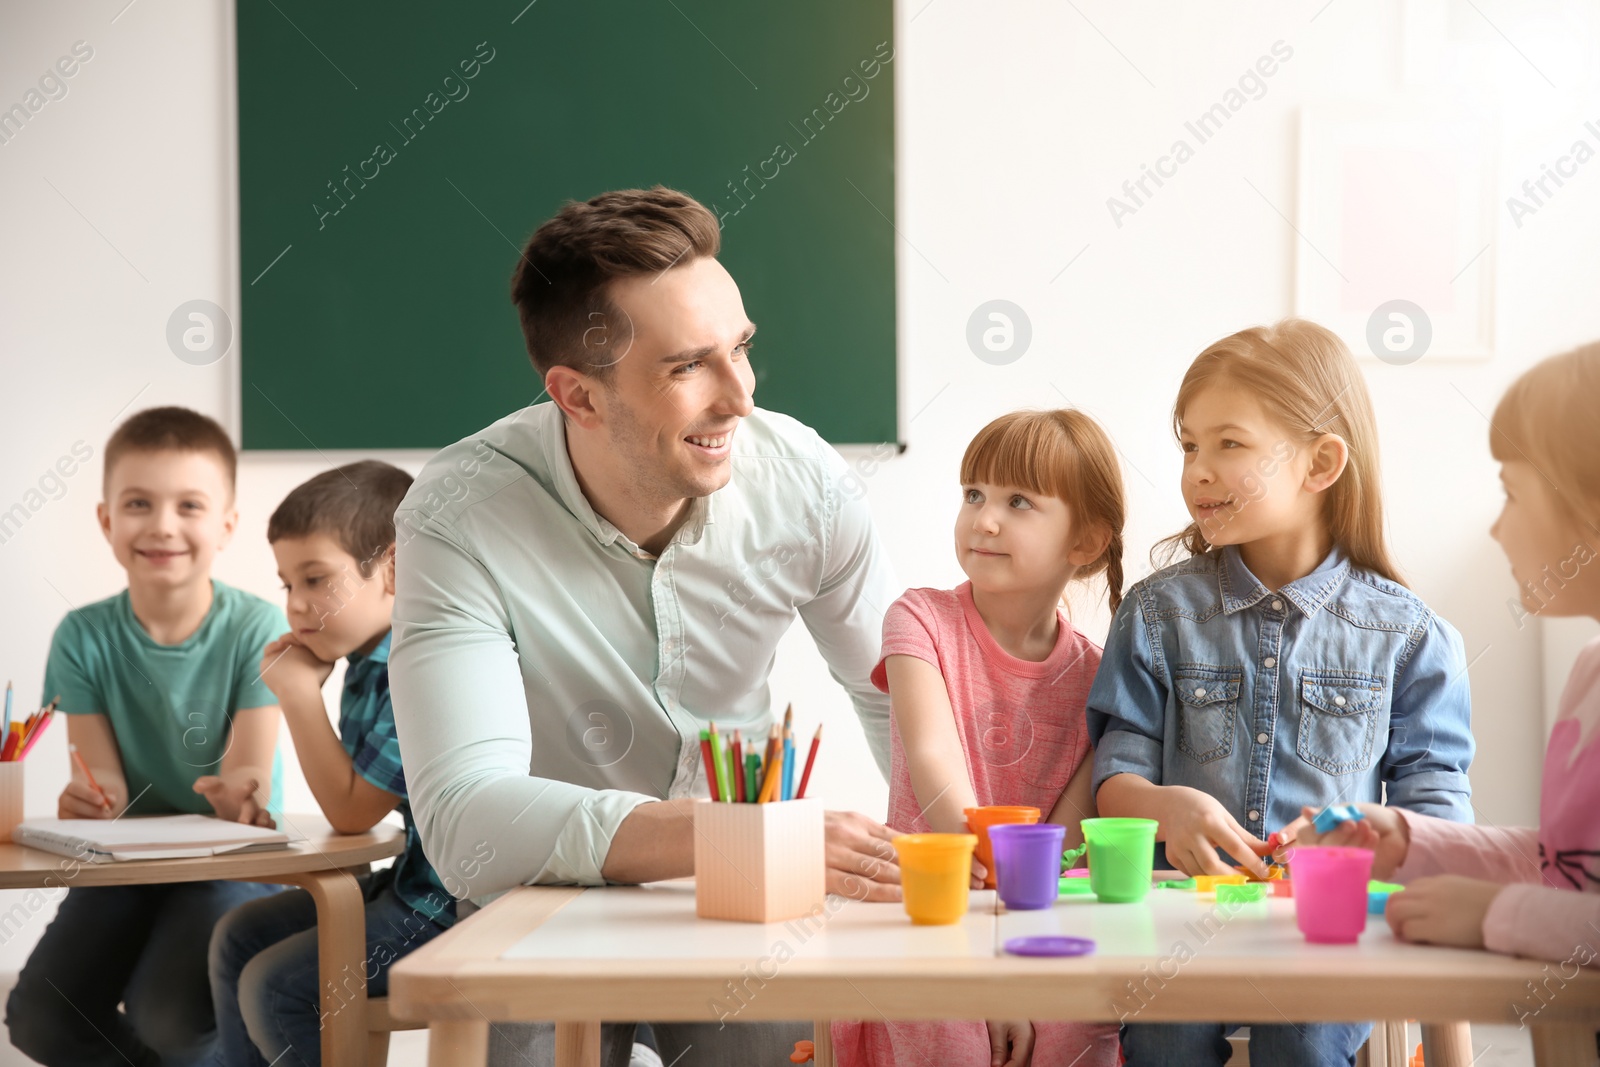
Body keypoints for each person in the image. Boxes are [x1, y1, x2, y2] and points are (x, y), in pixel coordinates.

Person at [387, 186, 905, 1066]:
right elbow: (468, 823)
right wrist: (736, 836)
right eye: (686, 367)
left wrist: (961, 873)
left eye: (741, 348)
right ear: (577, 398)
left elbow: (895, 698)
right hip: (546, 892)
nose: (740, 397)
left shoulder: (804, 484)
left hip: (751, 906)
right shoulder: (459, 511)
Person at [1087, 319, 1475, 1065]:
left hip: (1329, 932)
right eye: (1189, 445)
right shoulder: (1157, 613)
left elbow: (1438, 807)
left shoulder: (1409, 633)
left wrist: (1368, 837)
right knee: (1164, 1037)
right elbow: (1114, 779)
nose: (1197, 469)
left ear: (1321, 462)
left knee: (1304, 1036)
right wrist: (1170, 807)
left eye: (1228, 443)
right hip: (1177, 927)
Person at [1294, 342, 1600, 993]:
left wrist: (1498, 913)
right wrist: (1410, 841)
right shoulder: (1590, 675)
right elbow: (1568, 867)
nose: (1495, 528)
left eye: (1512, 493)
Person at [832, 409, 1124, 1067]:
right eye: (974, 495)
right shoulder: (919, 619)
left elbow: (1065, 842)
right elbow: (935, 761)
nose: (983, 520)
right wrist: (990, 979)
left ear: (1085, 540)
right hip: (928, 912)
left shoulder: (1098, 676)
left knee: (1075, 1032)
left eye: (1017, 501)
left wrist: (1013, 972)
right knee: (958, 1042)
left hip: (1036, 917)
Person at [6, 406, 284, 1067]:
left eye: (189, 505)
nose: (162, 524)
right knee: (39, 1018)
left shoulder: (257, 627)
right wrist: (89, 801)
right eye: (138, 503)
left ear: (226, 524)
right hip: (126, 866)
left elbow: (247, 779)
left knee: (170, 1013)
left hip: (230, 866)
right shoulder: (82, 636)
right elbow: (105, 787)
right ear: (106, 519)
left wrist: (234, 793)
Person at [209, 460, 458, 1066]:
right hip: (413, 881)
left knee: (278, 987)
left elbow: (351, 812)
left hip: (451, 906)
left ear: (395, 569)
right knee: (239, 936)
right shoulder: (364, 662)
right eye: (286, 584)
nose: (295, 605)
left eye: (316, 579)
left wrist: (295, 693)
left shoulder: (415, 666)